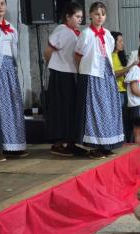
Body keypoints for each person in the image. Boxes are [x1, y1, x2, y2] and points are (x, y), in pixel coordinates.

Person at [74, 2, 124, 159]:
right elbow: (78, 54)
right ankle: (93, 146)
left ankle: (106, 144)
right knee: (94, 109)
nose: (100, 17)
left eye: (102, 14)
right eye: (96, 14)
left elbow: (108, 53)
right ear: (90, 15)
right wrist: (83, 72)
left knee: (107, 108)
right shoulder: (86, 34)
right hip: (91, 75)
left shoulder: (108, 35)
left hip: (106, 75)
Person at [44, 1, 88, 157]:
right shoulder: (61, 29)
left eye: (81, 17)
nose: (80, 20)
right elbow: (48, 51)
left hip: (71, 74)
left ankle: (70, 142)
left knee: (70, 108)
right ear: (68, 16)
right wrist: (55, 66)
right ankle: (57, 143)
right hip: (60, 74)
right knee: (60, 108)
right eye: (77, 16)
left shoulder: (77, 33)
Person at [0, 0, 27, 161]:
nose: (0, 6)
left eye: (2, 3)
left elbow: (14, 50)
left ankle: (12, 145)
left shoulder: (11, 27)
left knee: (11, 106)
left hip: (9, 69)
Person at [110, 31, 130, 140]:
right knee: (119, 119)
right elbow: (113, 74)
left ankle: (126, 141)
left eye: (122, 41)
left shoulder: (121, 56)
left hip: (126, 91)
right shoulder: (110, 56)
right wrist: (128, 68)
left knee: (126, 119)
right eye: (120, 41)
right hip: (116, 91)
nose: (122, 43)